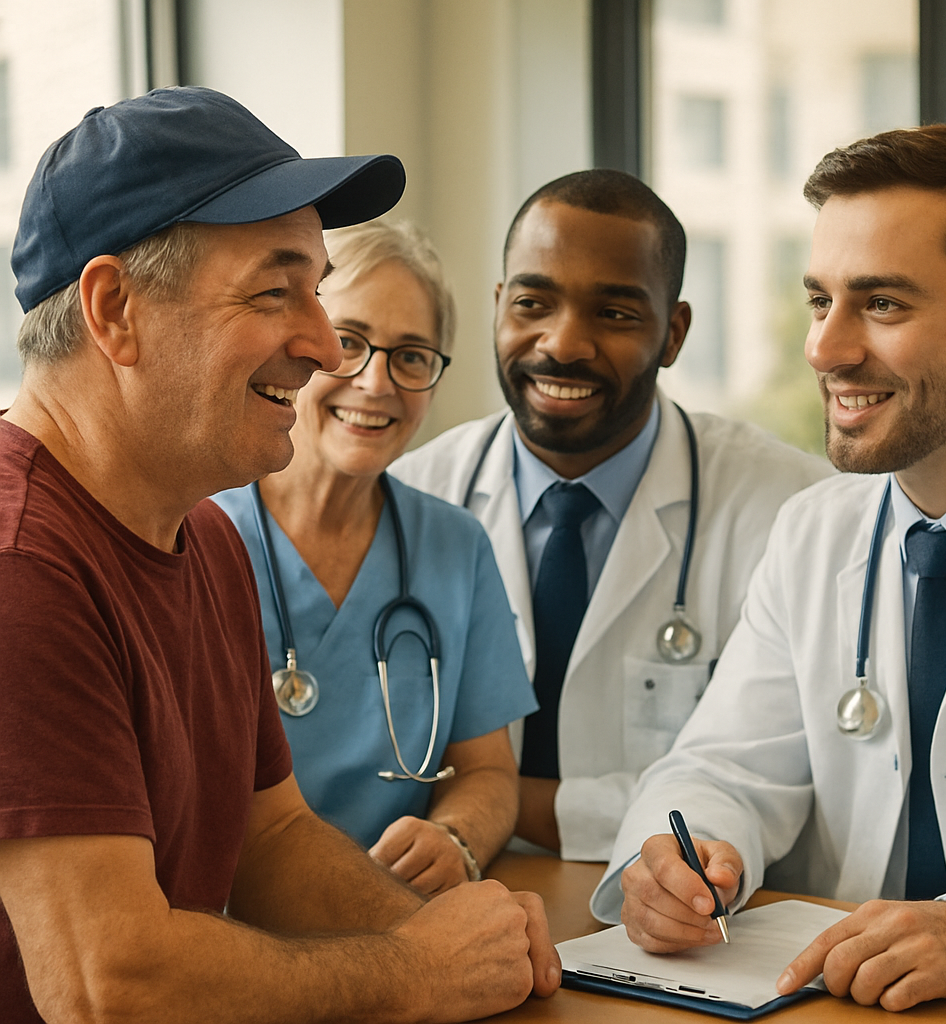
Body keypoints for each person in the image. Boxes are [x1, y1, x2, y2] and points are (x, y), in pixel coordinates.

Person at [0, 87, 558, 1024]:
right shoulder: (22, 568)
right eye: (275, 291)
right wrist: (414, 974)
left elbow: (272, 841)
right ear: (113, 310)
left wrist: (460, 941)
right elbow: (107, 984)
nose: (321, 343)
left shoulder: (204, 540)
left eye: (315, 287)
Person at [595, 124, 946, 1009]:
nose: (826, 350)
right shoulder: (815, 534)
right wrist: (683, 853)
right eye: (818, 301)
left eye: (884, 304)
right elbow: (723, 767)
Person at [393, 169, 830, 860]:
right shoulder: (410, 497)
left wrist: (500, 800)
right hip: (454, 904)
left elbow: (773, 777)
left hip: (675, 918)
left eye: (615, 313)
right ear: (498, 305)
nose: (564, 344)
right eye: (533, 303)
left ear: (674, 333)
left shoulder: (786, 509)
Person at [214, 220, 536, 896]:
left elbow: (488, 774)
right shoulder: (198, 532)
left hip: (397, 913)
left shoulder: (454, 547)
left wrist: (456, 838)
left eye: (412, 355)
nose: (376, 382)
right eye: (349, 343)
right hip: (232, 922)